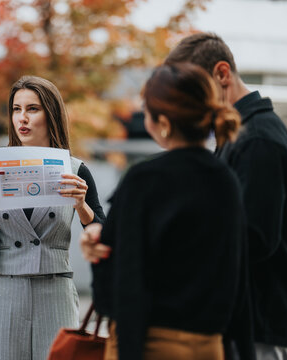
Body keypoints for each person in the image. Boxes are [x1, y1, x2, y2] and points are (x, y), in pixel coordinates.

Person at [81, 63, 251, 359]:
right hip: (210, 346)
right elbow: (239, 281)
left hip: (149, 345)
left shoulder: (144, 179)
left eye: (146, 111)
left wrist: (97, 248)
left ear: (164, 123)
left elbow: (120, 289)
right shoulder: (225, 178)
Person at [164, 33, 287, 360]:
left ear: (222, 74)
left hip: (253, 326)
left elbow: (253, 236)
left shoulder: (257, 140)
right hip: (240, 321)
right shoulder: (239, 135)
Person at [0, 75, 106, 360]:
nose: (22, 118)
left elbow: (101, 233)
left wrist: (81, 204)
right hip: (4, 290)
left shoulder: (74, 170)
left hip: (55, 289)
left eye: (32, 109)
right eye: (16, 109)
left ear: (51, 114)